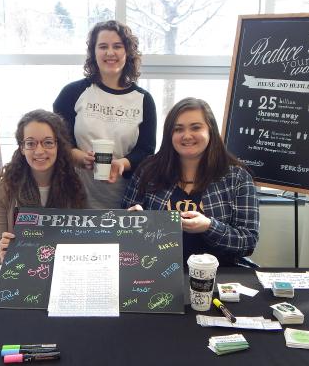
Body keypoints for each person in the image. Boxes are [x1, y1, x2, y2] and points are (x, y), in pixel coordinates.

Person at [122, 97, 259, 267]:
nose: (186, 136)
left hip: (218, 274)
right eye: (178, 129)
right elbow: (123, 231)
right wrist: (132, 221)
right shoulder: (148, 170)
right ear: (169, 134)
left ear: (210, 131)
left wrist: (209, 226)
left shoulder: (237, 177)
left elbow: (248, 242)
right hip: (156, 271)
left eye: (196, 127)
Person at [53, 20, 157, 209]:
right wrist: (79, 156)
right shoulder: (72, 93)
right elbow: (57, 141)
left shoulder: (143, 100)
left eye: (117, 46)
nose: (110, 53)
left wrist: (122, 164)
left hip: (126, 200)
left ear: (128, 52)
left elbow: (147, 151)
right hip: (75, 197)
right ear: (93, 52)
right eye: (103, 46)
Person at [0, 109, 86, 264]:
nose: (39, 151)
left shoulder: (75, 185)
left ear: (58, 145)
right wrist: (2, 257)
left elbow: (84, 241)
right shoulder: (3, 190)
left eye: (48, 142)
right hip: (20, 272)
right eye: (31, 143)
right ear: (22, 148)